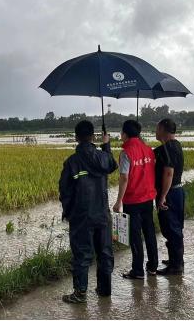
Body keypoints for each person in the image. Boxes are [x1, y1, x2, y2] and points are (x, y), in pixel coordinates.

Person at [59, 120, 118, 303]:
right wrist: (106, 144)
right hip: (102, 214)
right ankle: (104, 289)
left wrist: (68, 213)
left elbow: (65, 192)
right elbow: (112, 165)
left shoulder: (72, 162)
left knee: (82, 255)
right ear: (93, 137)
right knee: (105, 252)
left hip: (81, 217)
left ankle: (80, 294)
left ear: (76, 137)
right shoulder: (102, 157)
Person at [112, 120, 158, 279]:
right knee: (150, 232)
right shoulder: (148, 150)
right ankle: (152, 267)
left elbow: (124, 177)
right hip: (148, 197)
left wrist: (118, 201)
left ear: (125, 134)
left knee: (135, 235)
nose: (120, 135)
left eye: (121, 132)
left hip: (133, 200)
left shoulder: (126, 153)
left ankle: (137, 271)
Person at [154, 118, 185, 275]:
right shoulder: (176, 145)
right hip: (177, 191)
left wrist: (163, 196)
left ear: (163, 129)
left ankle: (176, 266)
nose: (155, 131)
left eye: (157, 128)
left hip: (170, 192)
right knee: (175, 227)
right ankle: (176, 259)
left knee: (171, 228)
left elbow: (168, 172)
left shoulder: (168, 148)